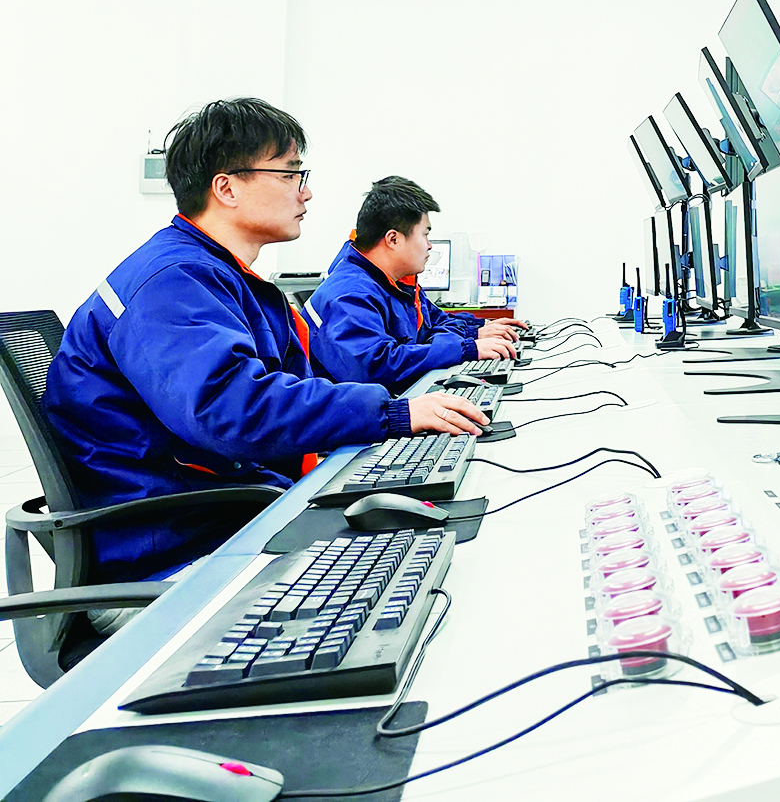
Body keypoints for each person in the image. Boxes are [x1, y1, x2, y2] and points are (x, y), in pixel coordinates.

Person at [41, 99, 488, 584]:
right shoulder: (173, 281)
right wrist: (391, 415)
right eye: (291, 174)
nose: (306, 192)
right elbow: (232, 409)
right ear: (227, 188)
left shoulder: (221, 275)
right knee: (427, 575)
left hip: (216, 509)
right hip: (174, 549)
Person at [309, 177, 519, 392]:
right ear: (393, 239)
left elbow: (434, 324)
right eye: (425, 234)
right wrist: (465, 349)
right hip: (365, 410)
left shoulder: (397, 283)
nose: (429, 245)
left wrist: (476, 330)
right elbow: (376, 367)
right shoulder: (350, 295)